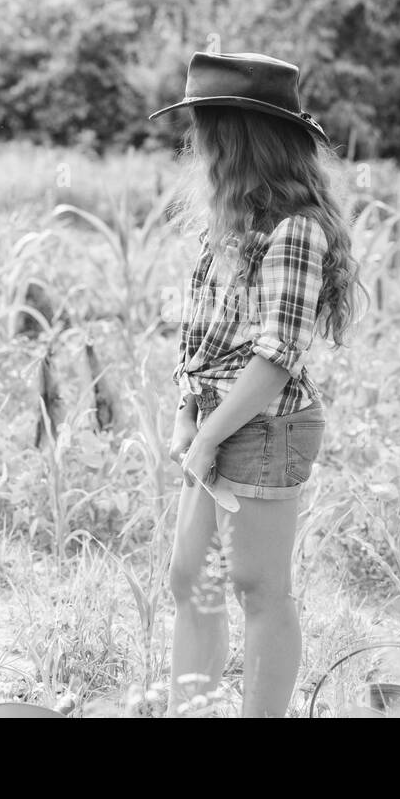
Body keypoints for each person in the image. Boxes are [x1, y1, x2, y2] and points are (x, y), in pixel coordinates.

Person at [151, 52, 364, 717]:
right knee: (190, 577)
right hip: (218, 417)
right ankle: (190, 709)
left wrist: (208, 436)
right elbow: (199, 332)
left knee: (258, 586)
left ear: (240, 139)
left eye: (207, 132)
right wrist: (188, 410)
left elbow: (276, 358)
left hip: (265, 424)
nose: (198, 148)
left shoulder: (295, 232)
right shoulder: (228, 224)